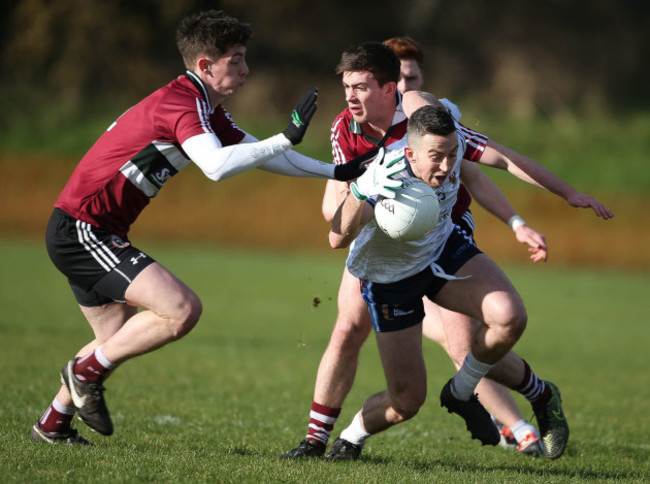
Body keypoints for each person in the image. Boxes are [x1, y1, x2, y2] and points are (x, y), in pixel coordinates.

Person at [30, 10, 367, 446]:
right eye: (236, 60)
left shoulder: (202, 106)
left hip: (88, 229)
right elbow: (215, 167)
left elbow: (261, 154)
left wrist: (334, 172)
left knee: (114, 338)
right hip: (83, 230)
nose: (246, 70)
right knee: (181, 310)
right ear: (205, 66)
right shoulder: (181, 104)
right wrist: (286, 137)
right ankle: (82, 375)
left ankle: (53, 424)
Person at [281, 42, 612, 462]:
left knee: (502, 320)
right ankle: (340, 437)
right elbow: (335, 227)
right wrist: (361, 194)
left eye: (360, 87)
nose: (350, 97)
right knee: (403, 397)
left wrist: (567, 194)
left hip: (443, 243)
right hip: (386, 267)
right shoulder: (352, 135)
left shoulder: (433, 125)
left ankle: (484, 396)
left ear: (391, 89)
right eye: (347, 87)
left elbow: (499, 161)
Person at [384, 35, 547, 453]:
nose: (405, 87)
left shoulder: (439, 122)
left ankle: (518, 425)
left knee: (465, 342)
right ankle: (331, 433)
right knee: (352, 328)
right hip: (388, 251)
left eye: (412, 77)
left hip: (445, 242)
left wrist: (516, 221)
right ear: (382, 84)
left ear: (422, 78)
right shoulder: (374, 127)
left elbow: (477, 174)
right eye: (396, 79)